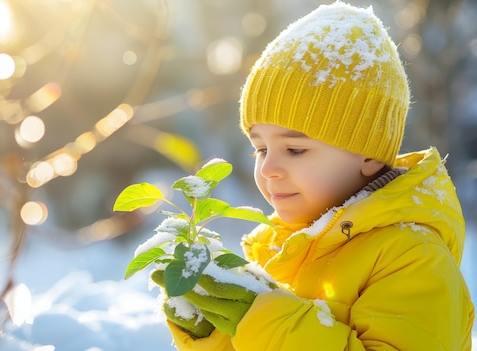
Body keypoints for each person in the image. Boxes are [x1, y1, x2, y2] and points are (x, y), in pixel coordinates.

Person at [153, 1, 475, 350]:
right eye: (260, 148)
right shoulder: (278, 248)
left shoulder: (412, 256)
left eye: (294, 150)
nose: (268, 169)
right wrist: (215, 335)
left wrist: (265, 321)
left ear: (368, 153)